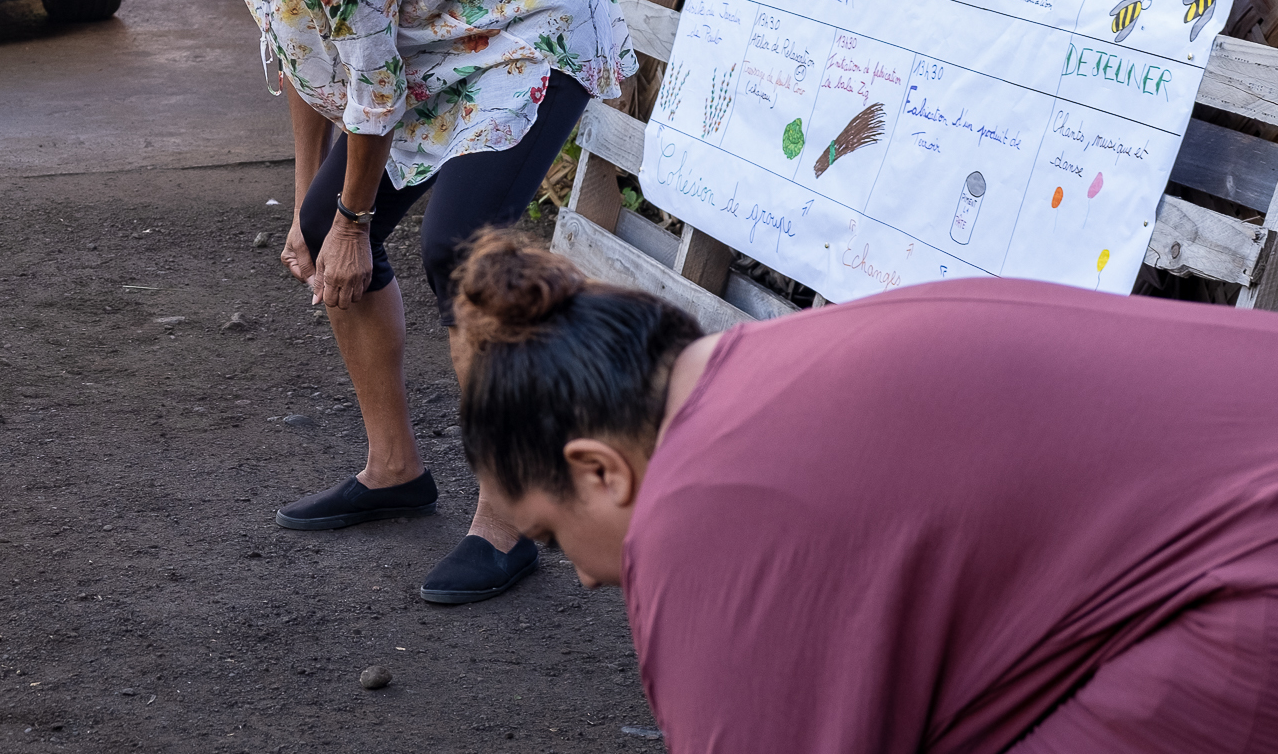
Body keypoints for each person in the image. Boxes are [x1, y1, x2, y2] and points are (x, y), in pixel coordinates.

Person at [85, 0, 637, 602]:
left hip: (522, 29)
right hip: (426, 51)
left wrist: (352, 221)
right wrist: (315, 209)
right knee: (327, 228)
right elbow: (312, 59)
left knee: (463, 252)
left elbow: (374, 87)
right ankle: (395, 470)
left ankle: (508, 521)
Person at [454, 231, 1278, 753]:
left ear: (599, 469)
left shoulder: (699, 504)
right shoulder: (768, 361)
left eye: (554, 536)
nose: (585, 575)